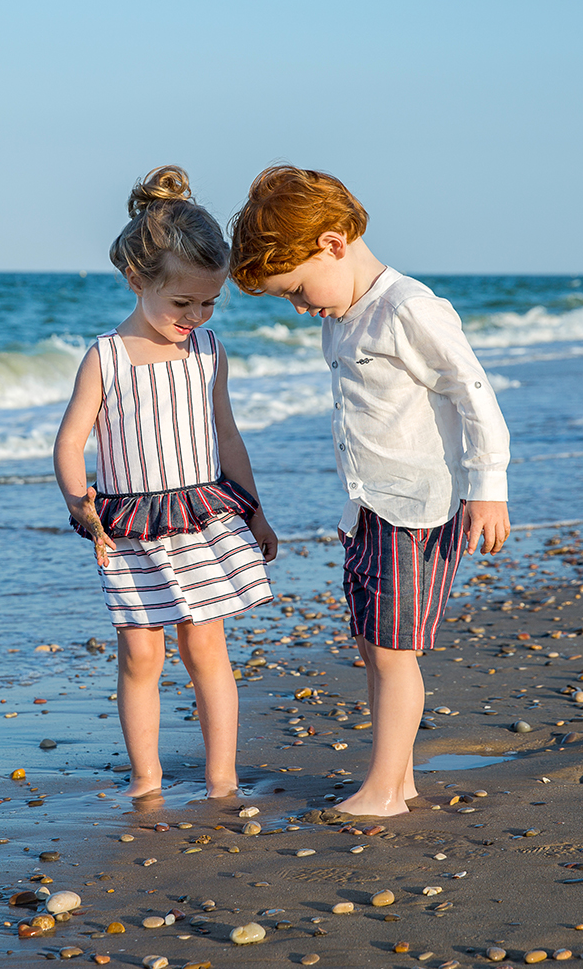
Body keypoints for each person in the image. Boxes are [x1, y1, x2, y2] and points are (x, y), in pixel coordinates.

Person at [229, 166, 510, 817]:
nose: (300, 307)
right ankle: (399, 776)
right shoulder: (345, 316)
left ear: (331, 244)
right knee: (372, 642)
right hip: (371, 508)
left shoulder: (406, 307)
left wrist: (487, 487)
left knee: (392, 650)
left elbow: (472, 391)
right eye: (286, 299)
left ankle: (385, 789)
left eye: (297, 289)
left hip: (417, 507)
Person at [54, 165, 279, 799]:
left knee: (207, 647)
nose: (197, 315)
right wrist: (81, 507)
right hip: (126, 526)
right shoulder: (107, 356)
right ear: (137, 281)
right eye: (183, 303)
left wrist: (256, 514)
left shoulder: (209, 350)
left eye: (210, 302)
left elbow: (228, 437)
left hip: (203, 516)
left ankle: (222, 777)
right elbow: (71, 442)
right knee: (141, 655)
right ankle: (146, 778)